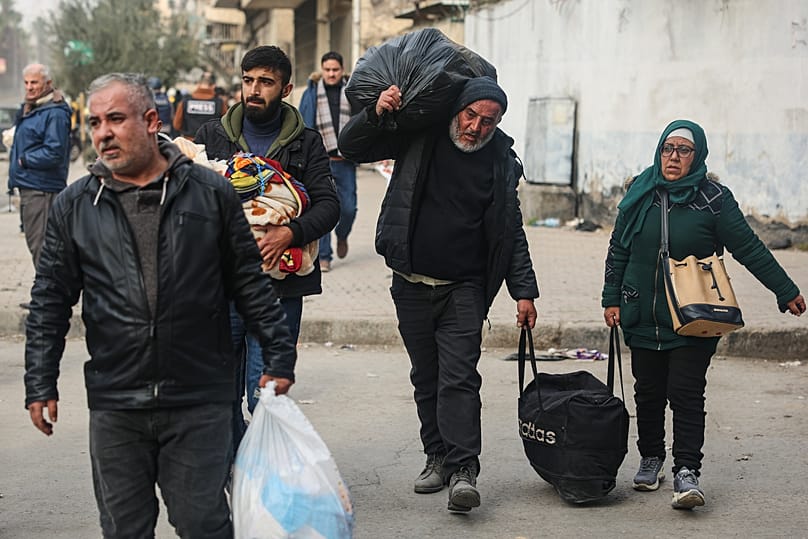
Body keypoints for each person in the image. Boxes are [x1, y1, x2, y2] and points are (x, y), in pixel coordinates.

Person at [23, 72, 297, 538]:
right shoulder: (75, 206)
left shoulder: (211, 195)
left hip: (198, 398)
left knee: (203, 524)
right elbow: (50, 298)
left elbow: (248, 283)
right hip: (116, 400)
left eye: (115, 119)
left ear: (151, 120)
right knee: (125, 529)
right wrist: (39, 381)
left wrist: (279, 354)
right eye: (94, 123)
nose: (103, 133)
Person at [338, 76, 539, 513]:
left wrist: (524, 291)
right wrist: (377, 112)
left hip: (464, 288)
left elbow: (510, 231)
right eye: (471, 116)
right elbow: (352, 147)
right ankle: (438, 457)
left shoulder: (500, 161)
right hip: (410, 284)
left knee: (460, 378)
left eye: (489, 121)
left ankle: (465, 470)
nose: (476, 128)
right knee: (425, 378)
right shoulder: (420, 135)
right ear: (457, 110)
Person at [601, 119, 805, 510]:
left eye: (683, 150)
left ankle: (687, 471)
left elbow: (748, 247)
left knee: (686, 392)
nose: (673, 157)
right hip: (640, 308)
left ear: (698, 156)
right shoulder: (639, 192)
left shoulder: (713, 198)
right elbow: (618, 248)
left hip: (696, 311)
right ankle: (651, 457)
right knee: (647, 391)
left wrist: (785, 290)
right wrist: (611, 297)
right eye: (667, 149)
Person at [195, 46, 339, 424]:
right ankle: (232, 473)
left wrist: (289, 232)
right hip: (217, 287)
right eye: (248, 80)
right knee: (218, 399)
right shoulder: (211, 136)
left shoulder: (306, 143)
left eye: (266, 82)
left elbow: (328, 206)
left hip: (279, 289)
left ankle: (262, 478)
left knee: (266, 398)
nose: (255, 89)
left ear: (286, 88)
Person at [8, 63, 71, 275]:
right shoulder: (34, 107)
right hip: (31, 187)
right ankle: (44, 297)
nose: (29, 87)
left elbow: (55, 152)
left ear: (48, 83)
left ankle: (48, 303)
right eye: (26, 82)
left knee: (42, 248)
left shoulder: (54, 113)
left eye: (34, 82)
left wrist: (24, 160)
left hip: (42, 190)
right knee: (39, 247)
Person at [299, 51, 357, 272]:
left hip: (345, 160)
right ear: (321, 70)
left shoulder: (353, 91)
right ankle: (324, 256)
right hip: (319, 162)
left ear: (342, 70)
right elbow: (304, 123)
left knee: (349, 208)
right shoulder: (311, 93)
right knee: (322, 208)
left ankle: (342, 235)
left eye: (335, 70)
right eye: (327, 70)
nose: (331, 74)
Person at [173, 70, 228, 139]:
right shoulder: (220, 103)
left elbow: (176, 125)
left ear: (198, 84)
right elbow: (227, 125)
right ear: (213, 86)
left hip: (190, 144)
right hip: (212, 144)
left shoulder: (185, 102)